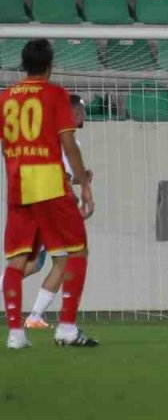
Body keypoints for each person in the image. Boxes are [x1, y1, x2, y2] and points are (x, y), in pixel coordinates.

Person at [3, 39, 97, 349]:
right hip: (50, 185)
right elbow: (68, 143)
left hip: (18, 186)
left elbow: (6, 144)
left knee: (17, 261)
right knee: (77, 252)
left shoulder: (5, 97)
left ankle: (16, 334)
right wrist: (84, 184)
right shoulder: (54, 94)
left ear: (23, 64)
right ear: (50, 65)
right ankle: (66, 328)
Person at [24, 94, 88, 330]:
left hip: (37, 206)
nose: (83, 116)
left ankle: (35, 316)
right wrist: (75, 203)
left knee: (34, 264)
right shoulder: (67, 142)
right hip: (52, 209)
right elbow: (62, 180)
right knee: (65, 261)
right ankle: (36, 317)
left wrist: (81, 179)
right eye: (80, 112)